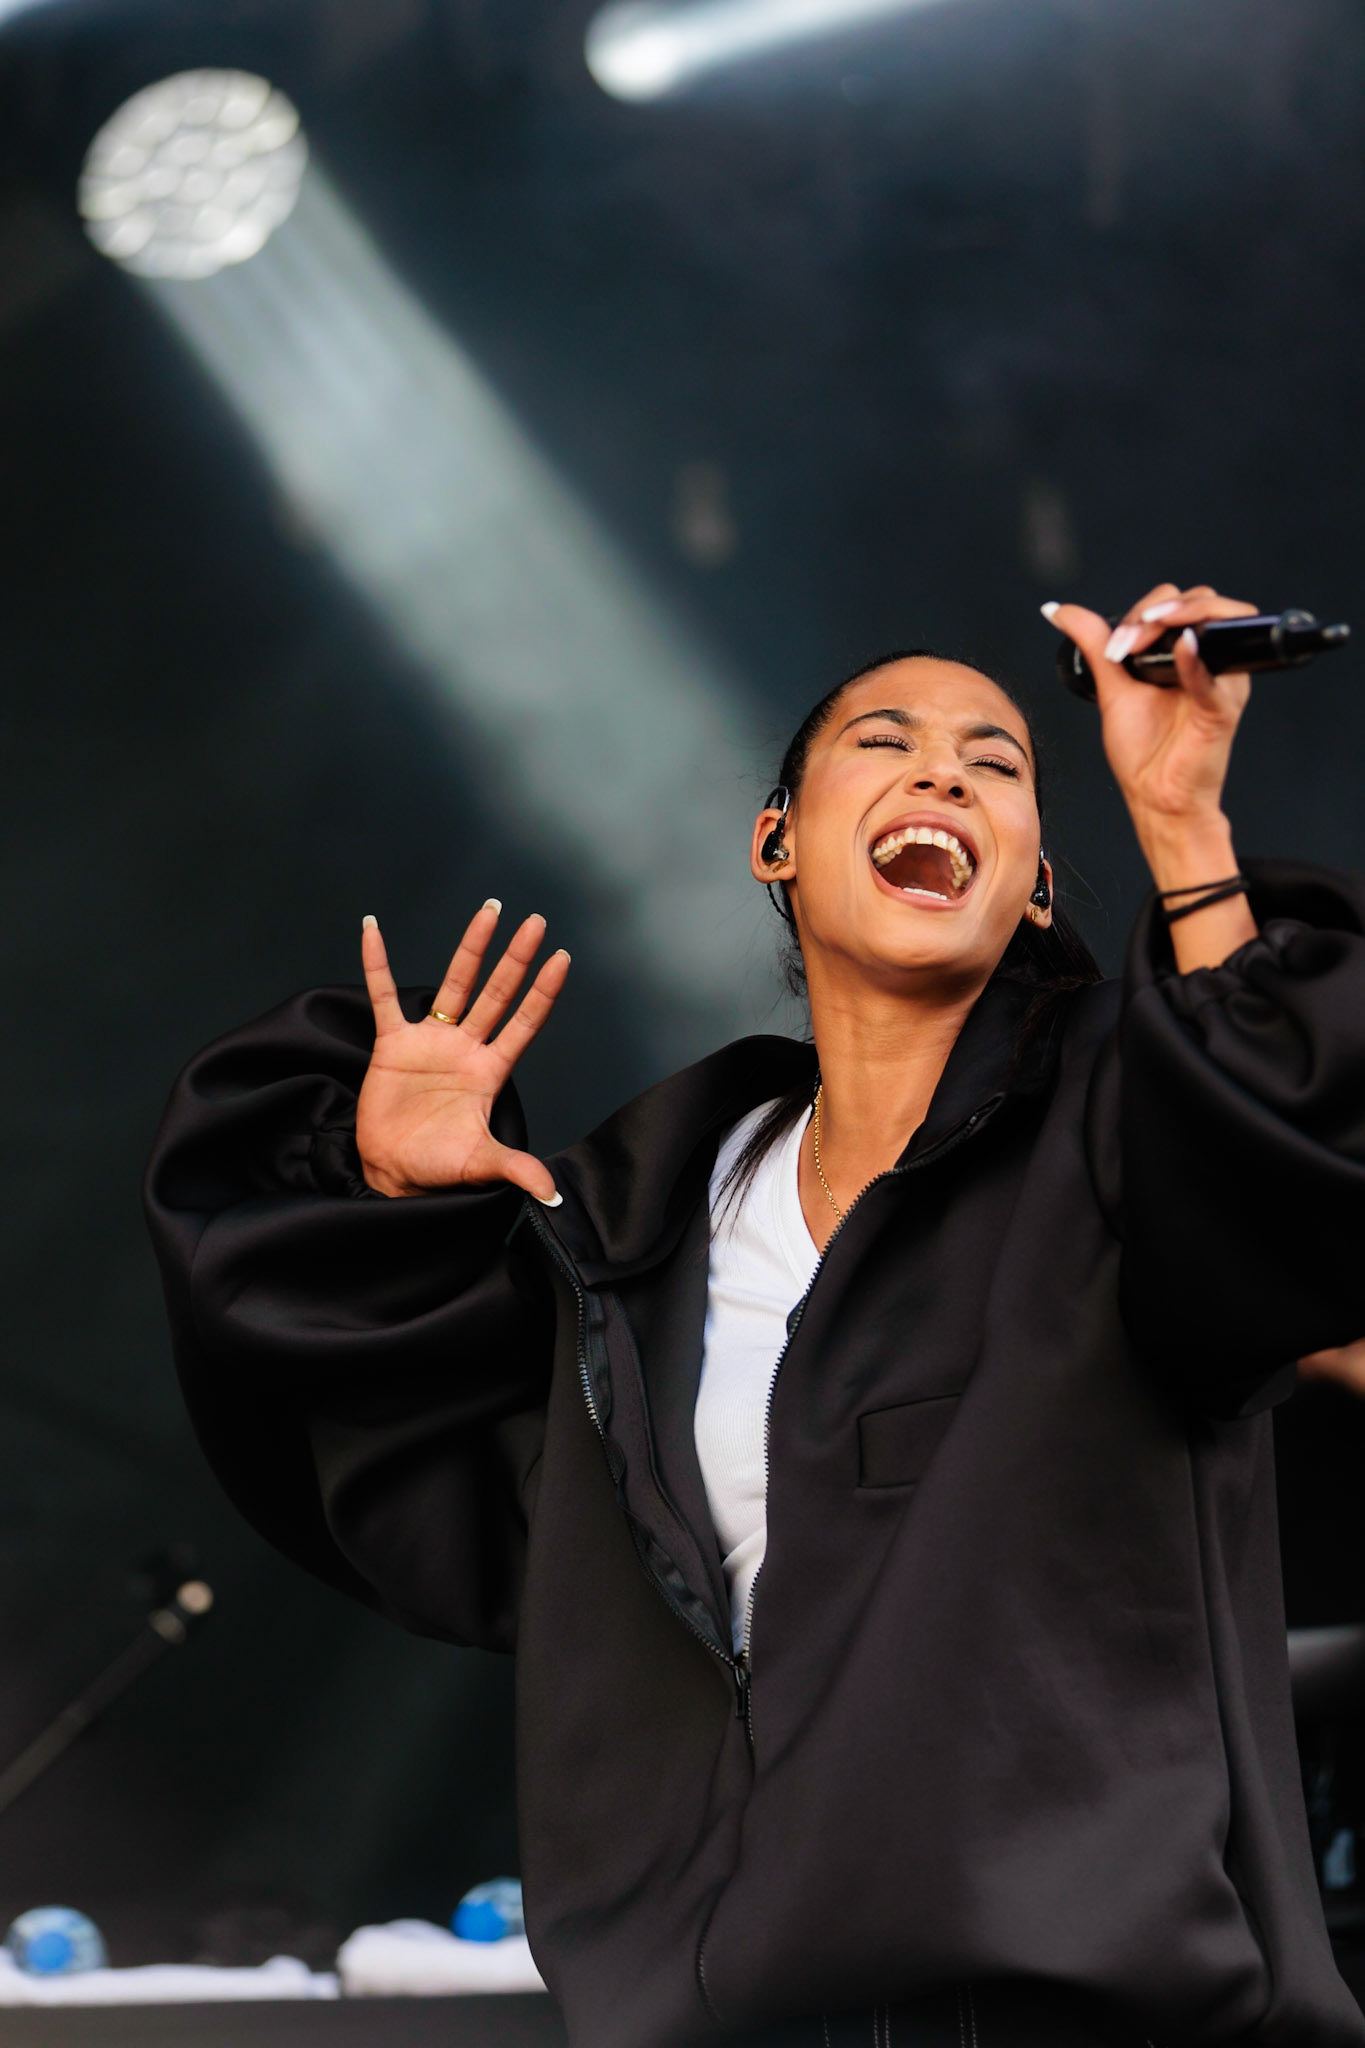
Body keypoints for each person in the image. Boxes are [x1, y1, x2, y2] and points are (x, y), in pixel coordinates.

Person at [145, 582, 1365, 2048]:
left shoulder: (1124, 1128)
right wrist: (390, 1197)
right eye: (888, 742)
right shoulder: (647, 1219)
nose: (942, 773)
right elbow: (456, 1513)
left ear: (1034, 877)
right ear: (773, 841)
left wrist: (1180, 823)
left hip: (1103, 2010)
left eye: (996, 761)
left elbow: (1302, 1179)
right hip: (740, 2010)